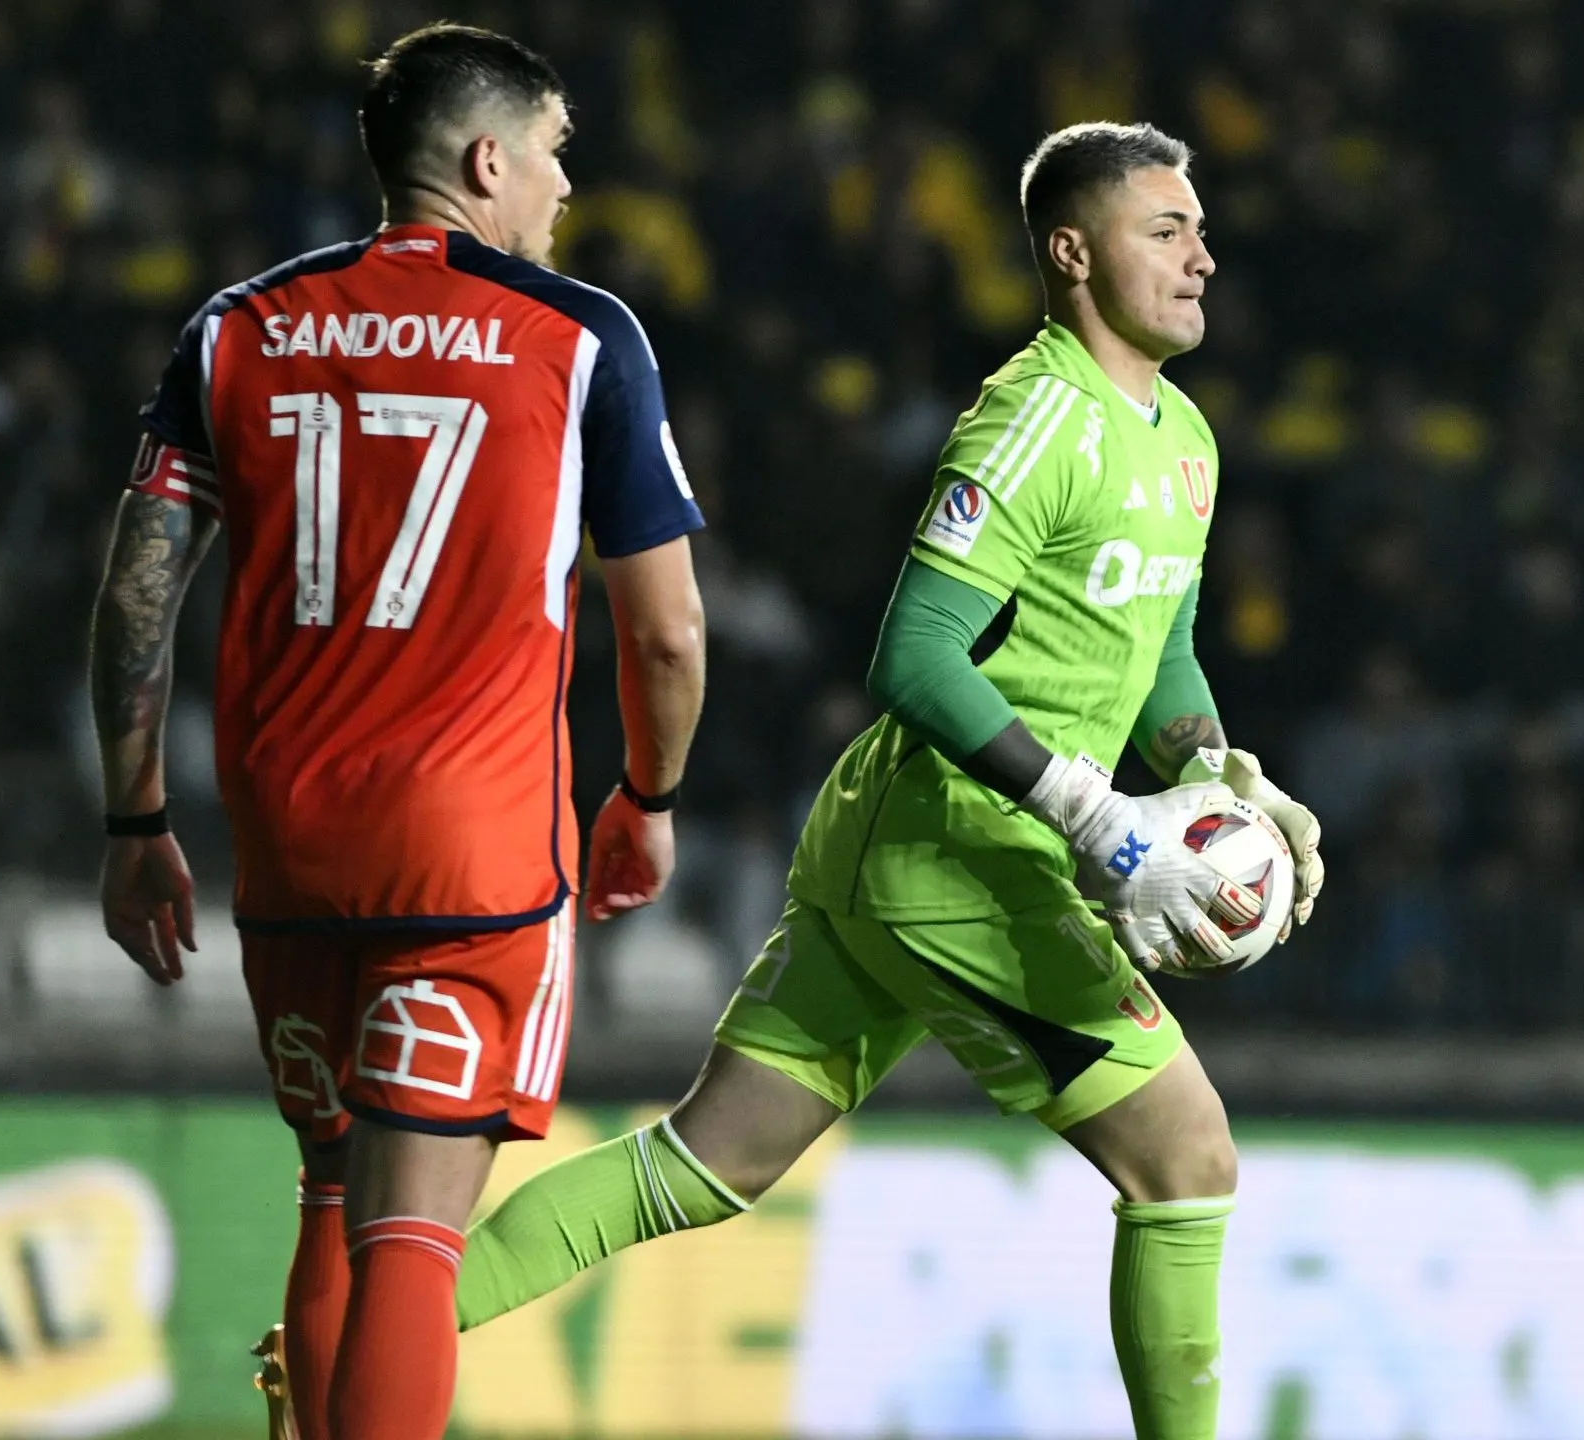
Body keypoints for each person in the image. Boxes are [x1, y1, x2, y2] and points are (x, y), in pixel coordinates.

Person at [447, 121, 1326, 1440]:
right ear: (1074, 254)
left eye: (1200, 229)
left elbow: (1159, 651)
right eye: (1168, 230)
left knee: (704, 1163)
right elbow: (913, 654)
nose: (1205, 254)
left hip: (911, 857)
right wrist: (1101, 818)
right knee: (1186, 1160)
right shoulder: (1038, 418)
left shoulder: (1182, 439)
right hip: (961, 863)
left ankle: (351, 1330)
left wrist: (1212, 773)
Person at [88, 24, 706, 1440]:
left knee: (327, 1183)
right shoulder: (581, 336)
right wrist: (648, 794)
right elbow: (665, 632)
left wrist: (134, 823)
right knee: (412, 1242)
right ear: (488, 160)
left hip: (290, 839)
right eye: (552, 157)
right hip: (471, 852)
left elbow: (136, 594)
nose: (563, 190)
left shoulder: (237, 327)